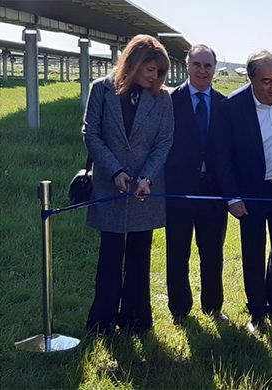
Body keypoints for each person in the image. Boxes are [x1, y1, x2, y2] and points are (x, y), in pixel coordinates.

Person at [83, 34, 173, 334]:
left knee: (139, 255)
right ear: (132, 63)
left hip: (144, 192)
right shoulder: (101, 90)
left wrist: (145, 178)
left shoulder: (163, 98)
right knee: (109, 256)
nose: (155, 77)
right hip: (110, 187)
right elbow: (91, 134)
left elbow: (164, 141)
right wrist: (115, 171)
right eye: (150, 69)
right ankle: (103, 321)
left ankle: (136, 320)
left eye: (160, 72)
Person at [213, 50, 272, 334]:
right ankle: (257, 313)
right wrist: (233, 197)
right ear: (251, 79)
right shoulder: (233, 106)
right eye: (266, 81)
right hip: (251, 193)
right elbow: (222, 156)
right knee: (253, 253)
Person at [165, 44, 228, 324]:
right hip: (179, 188)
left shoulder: (225, 104)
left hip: (213, 190)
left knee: (213, 251)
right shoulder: (169, 100)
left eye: (208, 66)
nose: (202, 71)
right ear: (187, 65)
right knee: (178, 251)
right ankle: (179, 309)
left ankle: (213, 306)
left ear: (215, 68)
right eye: (197, 65)